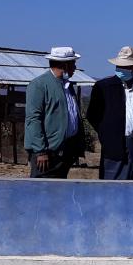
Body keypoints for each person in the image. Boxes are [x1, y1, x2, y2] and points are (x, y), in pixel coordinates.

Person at [86, 46, 133, 180]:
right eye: (119, 66)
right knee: (112, 186)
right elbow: (92, 116)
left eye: (126, 67)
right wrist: (107, 133)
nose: (122, 69)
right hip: (114, 147)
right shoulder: (103, 87)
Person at [24, 46, 85, 179]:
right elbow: (33, 119)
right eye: (73, 64)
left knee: (60, 187)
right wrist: (40, 151)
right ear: (64, 65)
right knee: (43, 186)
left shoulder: (67, 86)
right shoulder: (39, 85)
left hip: (65, 150)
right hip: (48, 151)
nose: (75, 68)